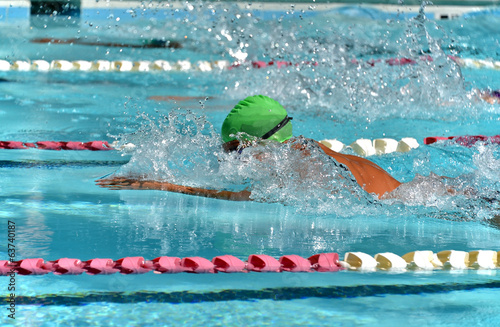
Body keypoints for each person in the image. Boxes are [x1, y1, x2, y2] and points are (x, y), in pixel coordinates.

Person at [97, 95, 404, 201]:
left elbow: (251, 198)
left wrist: (160, 185)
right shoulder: (304, 149)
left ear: (255, 144)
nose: (228, 158)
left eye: (233, 150)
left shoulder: (302, 159)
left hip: (405, 202)